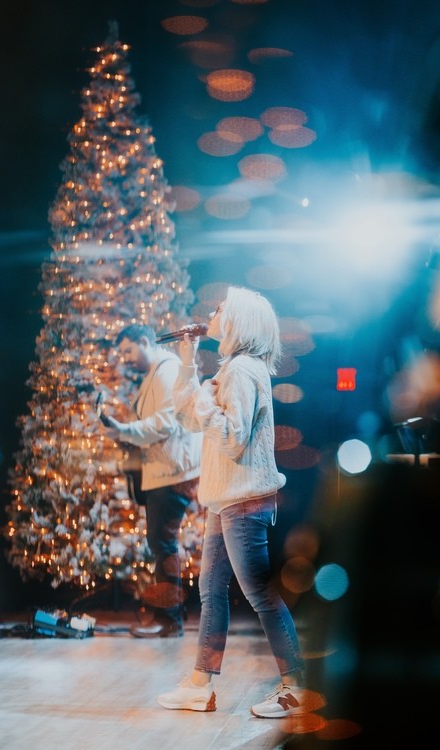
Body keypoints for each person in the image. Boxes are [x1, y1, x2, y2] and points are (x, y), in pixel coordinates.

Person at [157, 286, 306, 718]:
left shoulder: (242, 369)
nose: (214, 312)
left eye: (222, 307)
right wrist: (188, 361)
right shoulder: (234, 368)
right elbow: (190, 416)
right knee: (211, 590)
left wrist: (206, 401)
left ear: (240, 320)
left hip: (242, 500)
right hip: (226, 499)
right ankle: (199, 684)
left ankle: (297, 688)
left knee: (259, 593)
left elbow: (233, 439)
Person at [100, 324, 201, 638]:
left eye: (128, 350)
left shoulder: (166, 371)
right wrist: (124, 434)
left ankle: (169, 620)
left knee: (162, 544)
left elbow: (165, 423)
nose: (126, 358)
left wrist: (124, 430)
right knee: (161, 544)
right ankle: (168, 618)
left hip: (172, 473)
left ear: (144, 341)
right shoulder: (156, 373)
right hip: (165, 471)